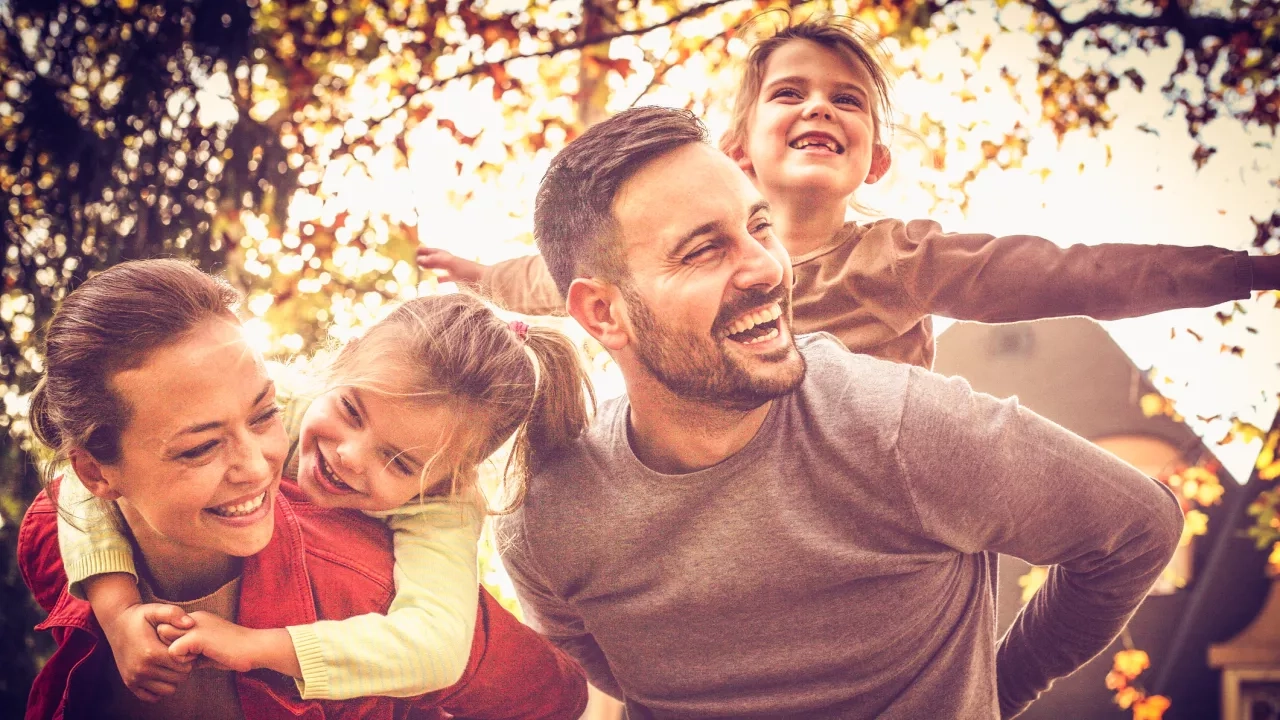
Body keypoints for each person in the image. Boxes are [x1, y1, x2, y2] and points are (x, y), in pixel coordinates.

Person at [494, 106, 1185, 719]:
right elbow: (600, 687)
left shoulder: (897, 429)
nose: (766, 267)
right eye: (705, 249)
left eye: (759, 225)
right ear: (603, 312)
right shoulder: (548, 524)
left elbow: (1137, 531)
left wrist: (999, 691)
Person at [417, 16, 1279, 369]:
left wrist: (1241, 272)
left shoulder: (899, 258)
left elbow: (1073, 272)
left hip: (877, 500)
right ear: (736, 150)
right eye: (788, 94)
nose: (818, 106)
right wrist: (476, 273)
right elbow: (559, 278)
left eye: (847, 101)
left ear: (874, 162)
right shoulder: (681, 259)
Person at [20, 258, 588, 719]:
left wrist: (255, 647)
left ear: (445, 480)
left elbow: (443, 650)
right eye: (350, 411)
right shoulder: (276, 398)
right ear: (337, 368)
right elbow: (72, 491)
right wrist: (118, 611)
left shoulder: (435, 515)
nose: (347, 457)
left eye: (397, 462)